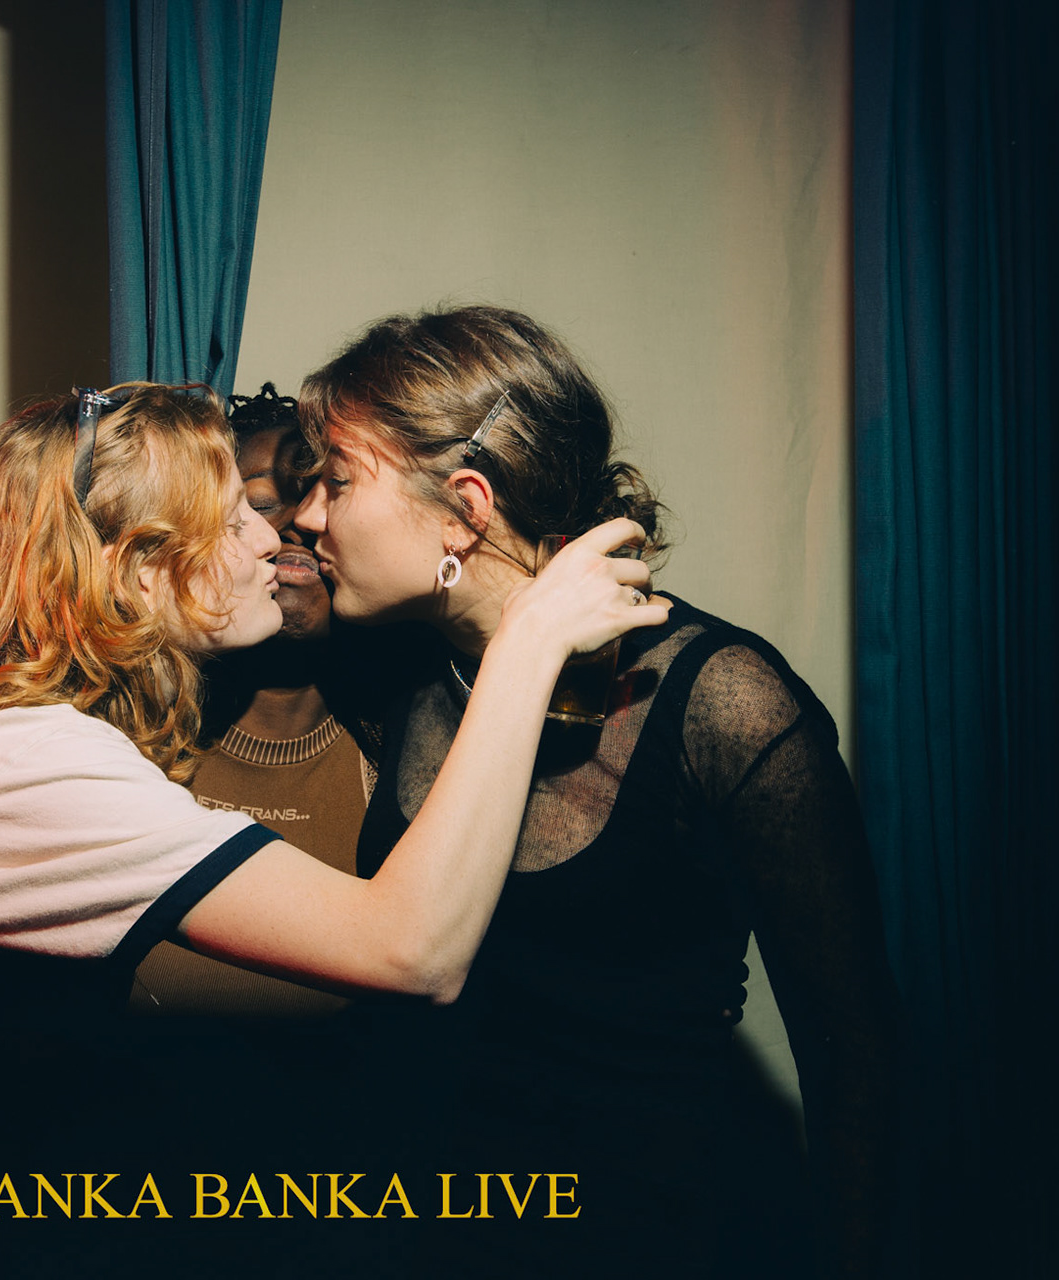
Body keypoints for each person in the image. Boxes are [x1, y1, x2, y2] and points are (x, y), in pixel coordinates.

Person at [0, 382, 664, 1253]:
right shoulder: (25, 763)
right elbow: (413, 950)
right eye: (232, 519)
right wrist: (530, 641)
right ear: (139, 570)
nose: (274, 539)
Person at [290, 306, 901, 1279]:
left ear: (464, 511)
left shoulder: (724, 703)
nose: (308, 515)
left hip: (654, 1240)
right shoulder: (393, 671)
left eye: (338, 481)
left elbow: (857, 1057)